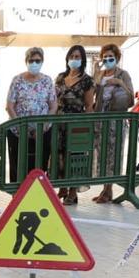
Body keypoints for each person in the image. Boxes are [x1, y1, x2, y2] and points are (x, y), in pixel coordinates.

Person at [5, 47, 56, 182]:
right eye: (31, 60)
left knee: (39, 167)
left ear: (42, 62)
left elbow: (53, 105)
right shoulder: (17, 80)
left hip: (42, 132)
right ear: (26, 61)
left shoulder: (47, 81)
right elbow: (10, 106)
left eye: (37, 60)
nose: (34, 63)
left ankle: (37, 196)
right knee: (19, 168)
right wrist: (22, 127)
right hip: (19, 133)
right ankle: (18, 197)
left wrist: (44, 126)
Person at [91, 43, 134, 204]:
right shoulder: (100, 75)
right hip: (100, 121)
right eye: (105, 57)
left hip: (116, 122)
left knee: (113, 155)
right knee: (101, 155)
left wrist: (119, 83)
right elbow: (92, 93)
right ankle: (105, 189)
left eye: (111, 57)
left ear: (117, 58)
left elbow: (131, 98)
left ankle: (109, 190)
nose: (108, 59)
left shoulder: (124, 74)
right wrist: (96, 72)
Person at [53, 45, 95, 205]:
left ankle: (72, 192)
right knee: (59, 157)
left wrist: (88, 129)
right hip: (59, 122)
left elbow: (89, 105)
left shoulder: (87, 80)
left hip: (77, 123)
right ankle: (62, 188)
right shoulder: (60, 77)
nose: (74, 59)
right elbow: (54, 99)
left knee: (74, 157)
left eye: (78, 57)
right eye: (72, 56)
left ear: (83, 59)